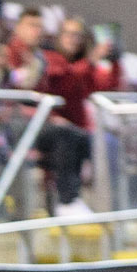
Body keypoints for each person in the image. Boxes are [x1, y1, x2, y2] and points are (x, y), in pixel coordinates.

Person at [37, 15, 121, 211]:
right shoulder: (49, 58)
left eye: (78, 35)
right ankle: (67, 201)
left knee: (101, 142)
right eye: (68, 33)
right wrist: (91, 60)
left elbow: (104, 85)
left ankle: (105, 205)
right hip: (46, 126)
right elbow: (64, 83)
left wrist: (115, 61)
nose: (73, 39)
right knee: (68, 136)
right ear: (59, 36)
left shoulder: (84, 65)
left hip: (76, 128)